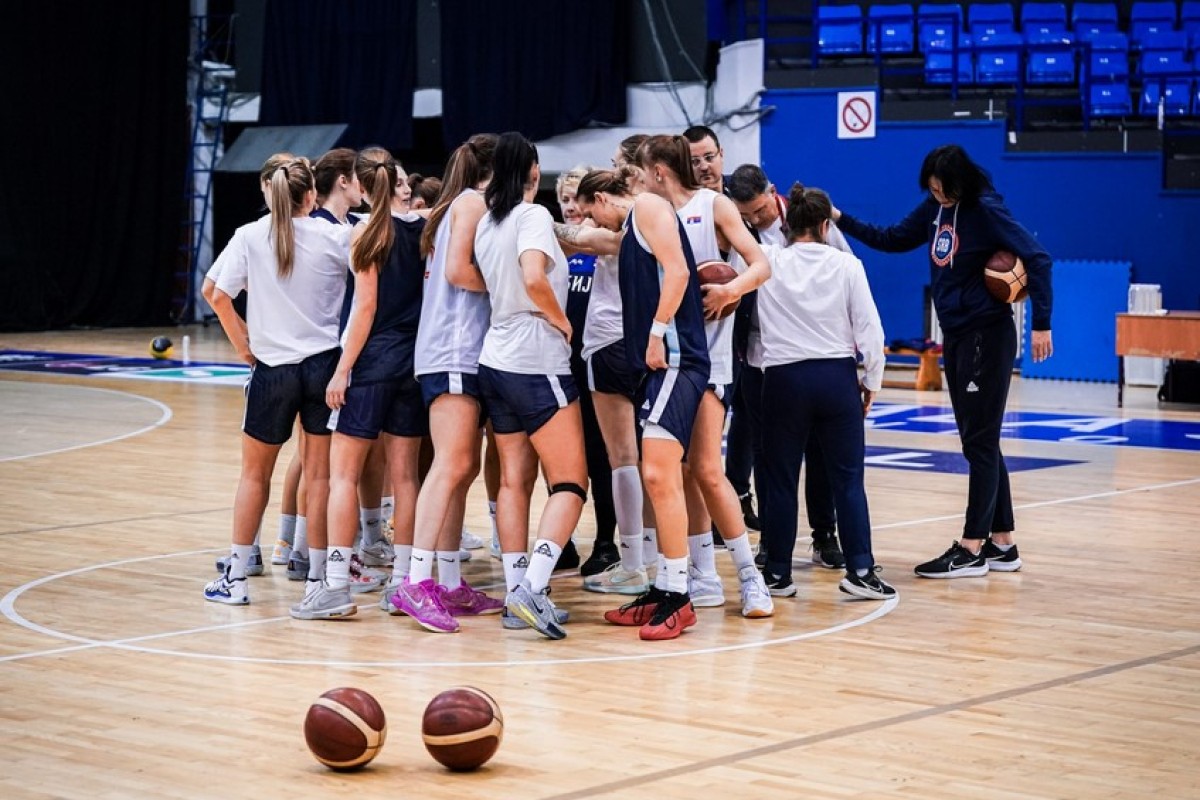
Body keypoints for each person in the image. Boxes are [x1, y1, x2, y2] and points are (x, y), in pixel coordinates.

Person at [832, 143, 1054, 578]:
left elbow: (1038, 258)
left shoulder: (986, 210)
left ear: (961, 183)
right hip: (955, 336)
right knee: (981, 440)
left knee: (980, 443)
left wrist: (1041, 323)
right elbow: (892, 237)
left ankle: (972, 547)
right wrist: (842, 219)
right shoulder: (935, 210)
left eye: (942, 188)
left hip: (985, 336)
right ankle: (1003, 543)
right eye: (931, 188)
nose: (937, 194)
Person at [706, 185, 896, 601]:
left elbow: (724, 243)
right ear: (826, 226)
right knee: (848, 480)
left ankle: (777, 573)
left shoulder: (767, 259)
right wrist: (873, 383)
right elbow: (871, 332)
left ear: (787, 225)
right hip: (836, 380)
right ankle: (860, 569)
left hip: (782, 381)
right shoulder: (848, 265)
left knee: (779, 480)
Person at [447, 131, 587, 640]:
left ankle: (514, 595)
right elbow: (534, 278)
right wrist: (562, 322)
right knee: (571, 483)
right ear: (532, 170)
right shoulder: (530, 217)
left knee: (513, 482)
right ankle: (533, 586)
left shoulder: (487, 221)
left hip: (496, 356)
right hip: (535, 354)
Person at [637, 134, 774, 619]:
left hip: (710, 359)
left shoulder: (712, 206)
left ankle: (750, 579)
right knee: (683, 470)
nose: (706, 166)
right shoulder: (651, 213)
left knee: (709, 471)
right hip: (673, 357)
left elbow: (761, 264)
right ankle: (702, 573)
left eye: (710, 157)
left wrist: (728, 290)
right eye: (696, 159)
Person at [288, 149, 429, 619]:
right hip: (413, 362)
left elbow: (364, 308)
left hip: (372, 363)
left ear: (362, 188)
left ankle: (333, 587)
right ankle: (405, 583)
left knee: (344, 475)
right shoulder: (420, 230)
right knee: (406, 477)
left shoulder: (365, 232)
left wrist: (342, 367)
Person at [203, 154, 348, 606]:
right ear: (312, 195)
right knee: (320, 477)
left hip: (272, 370)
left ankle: (237, 577)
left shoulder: (249, 235)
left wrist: (243, 345)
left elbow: (216, 294)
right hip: (324, 368)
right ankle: (320, 579)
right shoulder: (338, 237)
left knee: (254, 475)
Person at [573, 165, 709, 640]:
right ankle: (663, 587)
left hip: (678, 358)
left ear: (606, 199)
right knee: (658, 474)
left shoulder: (648, 206)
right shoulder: (629, 229)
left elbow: (679, 270)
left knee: (657, 471)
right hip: (656, 364)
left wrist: (654, 332)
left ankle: (679, 595)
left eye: (592, 212)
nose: (593, 222)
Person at [391, 133, 507, 633]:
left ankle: (451, 582)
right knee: (452, 463)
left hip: (460, 350)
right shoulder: (472, 203)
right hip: (454, 348)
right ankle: (415, 583)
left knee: (463, 470)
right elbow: (460, 273)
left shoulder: (456, 205)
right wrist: (513, 284)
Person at [724, 164, 846, 574]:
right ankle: (773, 545)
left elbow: (847, 269)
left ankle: (824, 535)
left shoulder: (810, 220)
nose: (755, 220)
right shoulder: (735, 230)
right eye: (747, 215)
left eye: (759, 211)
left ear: (772, 193)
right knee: (767, 455)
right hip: (758, 356)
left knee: (821, 453)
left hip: (811, 354)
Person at [554, 134, 656, 596]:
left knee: (623, 460)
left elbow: (591, 237)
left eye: (618, 164)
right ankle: (662, 559)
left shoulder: (628, 220)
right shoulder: (662, 212)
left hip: (612, 343)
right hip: (647, 345)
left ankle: (633, 562)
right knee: (656, 459)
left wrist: (534, 222)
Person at [555, 165, 621, 578]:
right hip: (558, 361)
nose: (570, 206)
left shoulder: (606, 243)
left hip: (596, 359)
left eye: (576, 197)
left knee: (601, 456)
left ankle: (605, 540)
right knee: (558, 456)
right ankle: (561, 541)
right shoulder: (552, 244)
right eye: (563, 199)